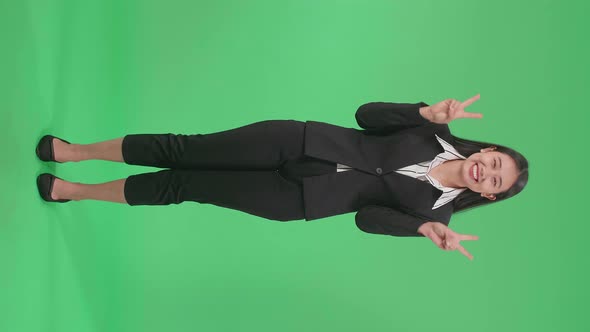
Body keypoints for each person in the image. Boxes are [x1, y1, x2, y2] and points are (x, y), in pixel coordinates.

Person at [35, 94, 528, 260]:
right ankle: (74, 152)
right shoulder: (432, 127)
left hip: (298, 199)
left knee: (183, 185)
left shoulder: (433, 214)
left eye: (495, 183)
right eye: (497, 163)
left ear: (486, 194)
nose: (488, 174)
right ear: (486, 149)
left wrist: (421, 228)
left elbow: (367, 220)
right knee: (183, 148)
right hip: (299, 141)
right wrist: (424, 109)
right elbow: (365, 115)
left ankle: (73, 191)